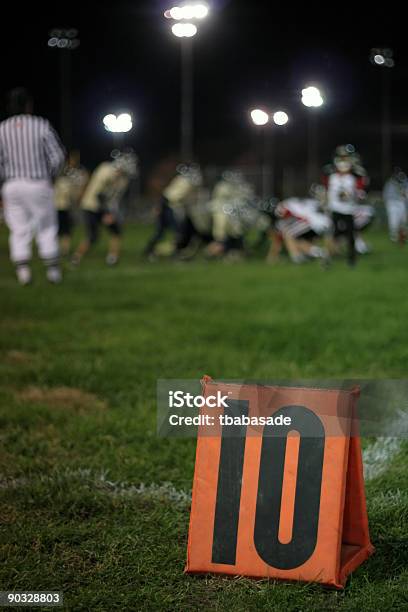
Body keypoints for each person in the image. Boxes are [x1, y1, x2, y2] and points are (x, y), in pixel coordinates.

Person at [0, 87, 65, 284]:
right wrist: (50, 175)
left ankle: (23, 273)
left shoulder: (2, 128)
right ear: (28, 105)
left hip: (12, 184)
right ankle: (53, 272)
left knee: (19, 229)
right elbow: (58, 156)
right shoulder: (40, 124)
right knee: (46, 227)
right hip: (38, 182)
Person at [72, 150, 137, 266]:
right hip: (92, 206)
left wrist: (113, 213)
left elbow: (113, 198)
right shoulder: (106, 170)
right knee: (93, 237)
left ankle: (112, 258)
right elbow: (99, 195)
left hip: (104, 207)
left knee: (116, 231)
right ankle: (76, 258)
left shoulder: (123, 179)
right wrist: (107, 213)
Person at [324, 145, 368, 266]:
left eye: (346, 158)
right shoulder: (330, 175)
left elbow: (361, 193)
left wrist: (354, 194)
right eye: (342, 157)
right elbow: (325, 190)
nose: (343, 161)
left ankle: (351, 259)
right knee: (333, 234)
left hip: (349, 209)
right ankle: (327, 257)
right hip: (335, 208)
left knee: (350, 235)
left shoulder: (355, 176)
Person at [267, 192, 331, 264]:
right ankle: (320, 252)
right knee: (297, 241)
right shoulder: (292, 202)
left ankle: (297, 257)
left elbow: (290, 219)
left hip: (309, 221)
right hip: (322, 222)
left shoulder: (282, 206)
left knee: (288, 234)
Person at [54, 150, 89, 256]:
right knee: (58, 228)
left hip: (70, 205)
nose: (75, 160)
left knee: (68, 229)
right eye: (73, 158)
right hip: (58, 205)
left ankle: (64, 250)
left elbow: (84, 182)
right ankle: (56, 249)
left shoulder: (79, 171)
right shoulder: (62, 171)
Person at [383, 168, 408, 243]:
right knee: (393, 220)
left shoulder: (403, 181)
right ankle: (394, 237)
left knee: (403, 220)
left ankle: (402, 236)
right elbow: (386, 195)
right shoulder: (390, 183)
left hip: (401, 202)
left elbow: (405, 194)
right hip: (392, 203)